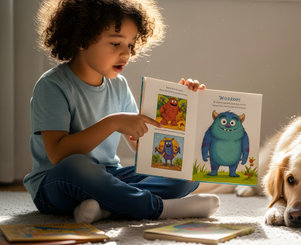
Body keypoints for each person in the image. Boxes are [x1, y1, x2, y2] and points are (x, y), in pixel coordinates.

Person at [23, 0, 219, 224]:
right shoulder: (52, 85)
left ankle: (106, 208)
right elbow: (58, 154)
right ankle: (158, 208)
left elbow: (142, 145)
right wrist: (113, 123)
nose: (126, 54)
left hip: (109, 176)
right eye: (116, 44)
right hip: (57, 183)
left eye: (131, 45)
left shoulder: (119, 85)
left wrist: (181, 103)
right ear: (81, 39)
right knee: (77, 166)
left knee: (184, 175)